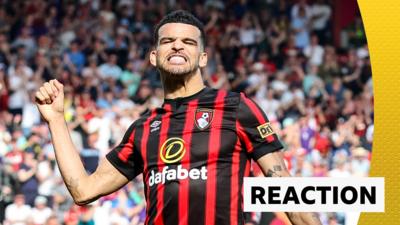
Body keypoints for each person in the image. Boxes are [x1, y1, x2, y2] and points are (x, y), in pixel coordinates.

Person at [35, 10, 321, 225]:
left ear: (203, 58)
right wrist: (56, 121)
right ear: (153, 56)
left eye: (188, 42)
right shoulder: (142, 129)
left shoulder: (236, 107)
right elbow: (83, 190)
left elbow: (285, 189)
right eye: (168, 40)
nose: (177, 46)